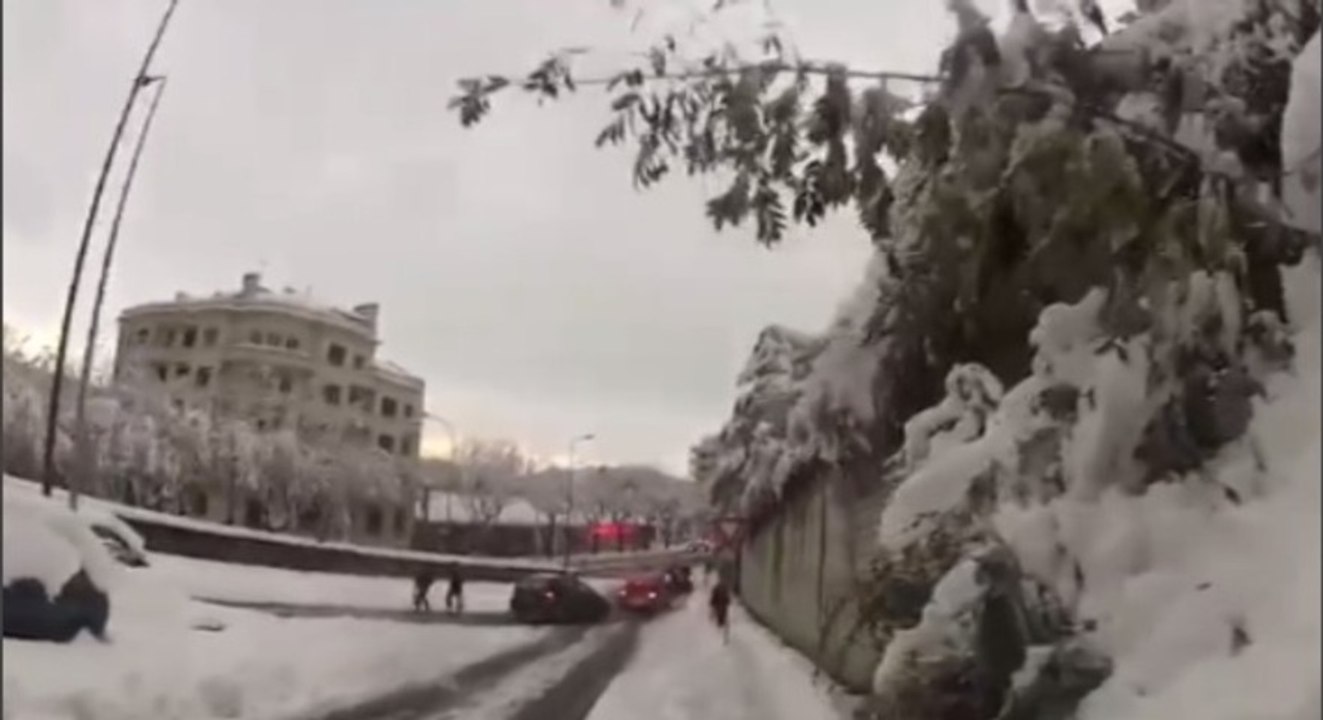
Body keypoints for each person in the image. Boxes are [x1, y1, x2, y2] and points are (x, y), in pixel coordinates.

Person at [709, 577, 732, 643]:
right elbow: (727, 598)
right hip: (723, 606)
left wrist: (712, 604)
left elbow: (713, 597)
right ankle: (723, 633)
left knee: (720, 616)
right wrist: (728, 602)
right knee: (723, 616)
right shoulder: (724, 588)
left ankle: (720, 630)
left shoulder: (716, 588)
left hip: (719, 605)